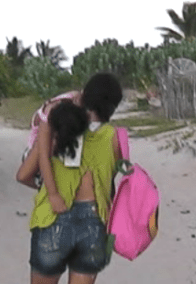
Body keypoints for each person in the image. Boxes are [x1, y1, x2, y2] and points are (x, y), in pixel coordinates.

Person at [16, 73, 123, 284]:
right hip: (94, 226)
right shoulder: (115, 137)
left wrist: (48, 188)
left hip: (54, 222)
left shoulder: (60, 129)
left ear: (83, 96)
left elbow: (23, 175)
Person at [20, 78, 122, 214]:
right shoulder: (56, 111)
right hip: (37, 146)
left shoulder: (73, 112)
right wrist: (52, 193)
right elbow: (43, 155)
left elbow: (23, 176)